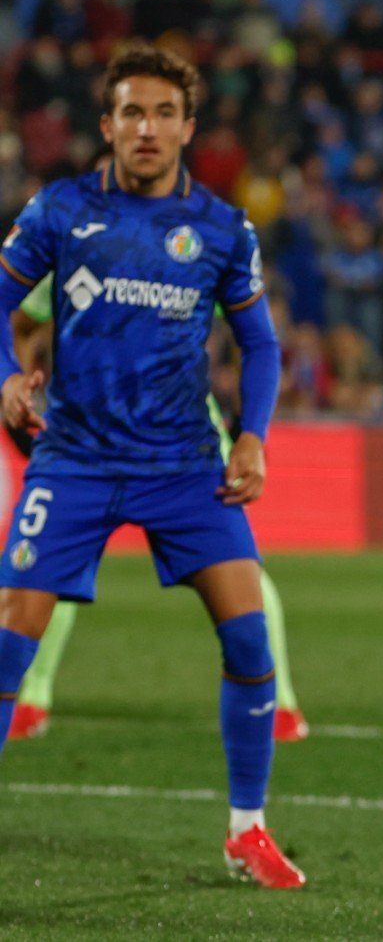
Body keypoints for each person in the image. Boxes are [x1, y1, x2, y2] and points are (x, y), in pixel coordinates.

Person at [0, 42, 302, 888]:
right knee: (5, 643)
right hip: (76, 459)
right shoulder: (61, 209)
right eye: (132, 112)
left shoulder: (218, 227)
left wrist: (253, 435)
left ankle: (247, 830)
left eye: (165, 113)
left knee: (248, 633)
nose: (148, 127)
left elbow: (259, 342)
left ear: (187, 128)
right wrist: (4, 380)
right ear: (107, 124)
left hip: (182, 464)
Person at [5, 275, 309, 743]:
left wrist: (247, 424)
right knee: (51, 569)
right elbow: (22, 323)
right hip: (88, 439)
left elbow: (256, 331)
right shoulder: (68, 238)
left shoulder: (193, 237)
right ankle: (33, 697)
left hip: (183, 443)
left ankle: (280, 704)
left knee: (237, 572)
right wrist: (18, 386)